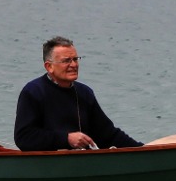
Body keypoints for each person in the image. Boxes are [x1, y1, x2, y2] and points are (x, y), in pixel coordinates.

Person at [14, 35, 142, 151]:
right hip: (46, 165)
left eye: (75, 59)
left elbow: (107, 134)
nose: (74, 65)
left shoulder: (84, 92)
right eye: (66, 61)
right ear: (49, 66)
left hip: (80, 163)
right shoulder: (33, 92)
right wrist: (66, 139)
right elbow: (24, 138)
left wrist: (141, 149)